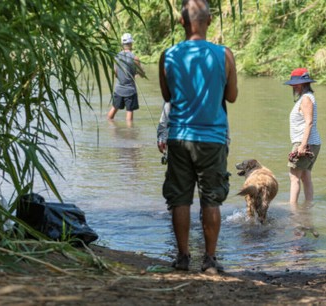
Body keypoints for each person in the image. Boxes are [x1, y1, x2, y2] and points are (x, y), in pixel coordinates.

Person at [158, 0, 238, 274]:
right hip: (213, 138)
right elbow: (232, 97)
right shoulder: (225, 55)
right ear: (210, 21)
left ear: (182, 22)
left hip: (179, 136)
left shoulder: (168, 55)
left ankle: (182, 258)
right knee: (211, 199)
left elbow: (167, 97)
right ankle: (210, 260)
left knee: (179, 199)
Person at [284, 68, 321, 206]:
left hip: (304, 141)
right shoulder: (307, 97)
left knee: (294, 177)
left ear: (304, 83)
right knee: (305, 176)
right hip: (312, 142)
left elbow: (309, 122)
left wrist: (302, 145)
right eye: (293, 84)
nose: (293, 86)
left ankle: (292, 209)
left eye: (296, 84)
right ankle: (307, 207)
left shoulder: (306, 99)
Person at [107, 33, 144, 122]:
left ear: (122, 44)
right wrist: (140, 73)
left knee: (114, 109)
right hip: (130, 90)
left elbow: (115, 74)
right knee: (129, 112)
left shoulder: (117, 57)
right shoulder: (135, 58)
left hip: (118, 89)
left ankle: (109, 128)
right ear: (131, 44)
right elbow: (141, 74)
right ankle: (129, 133)